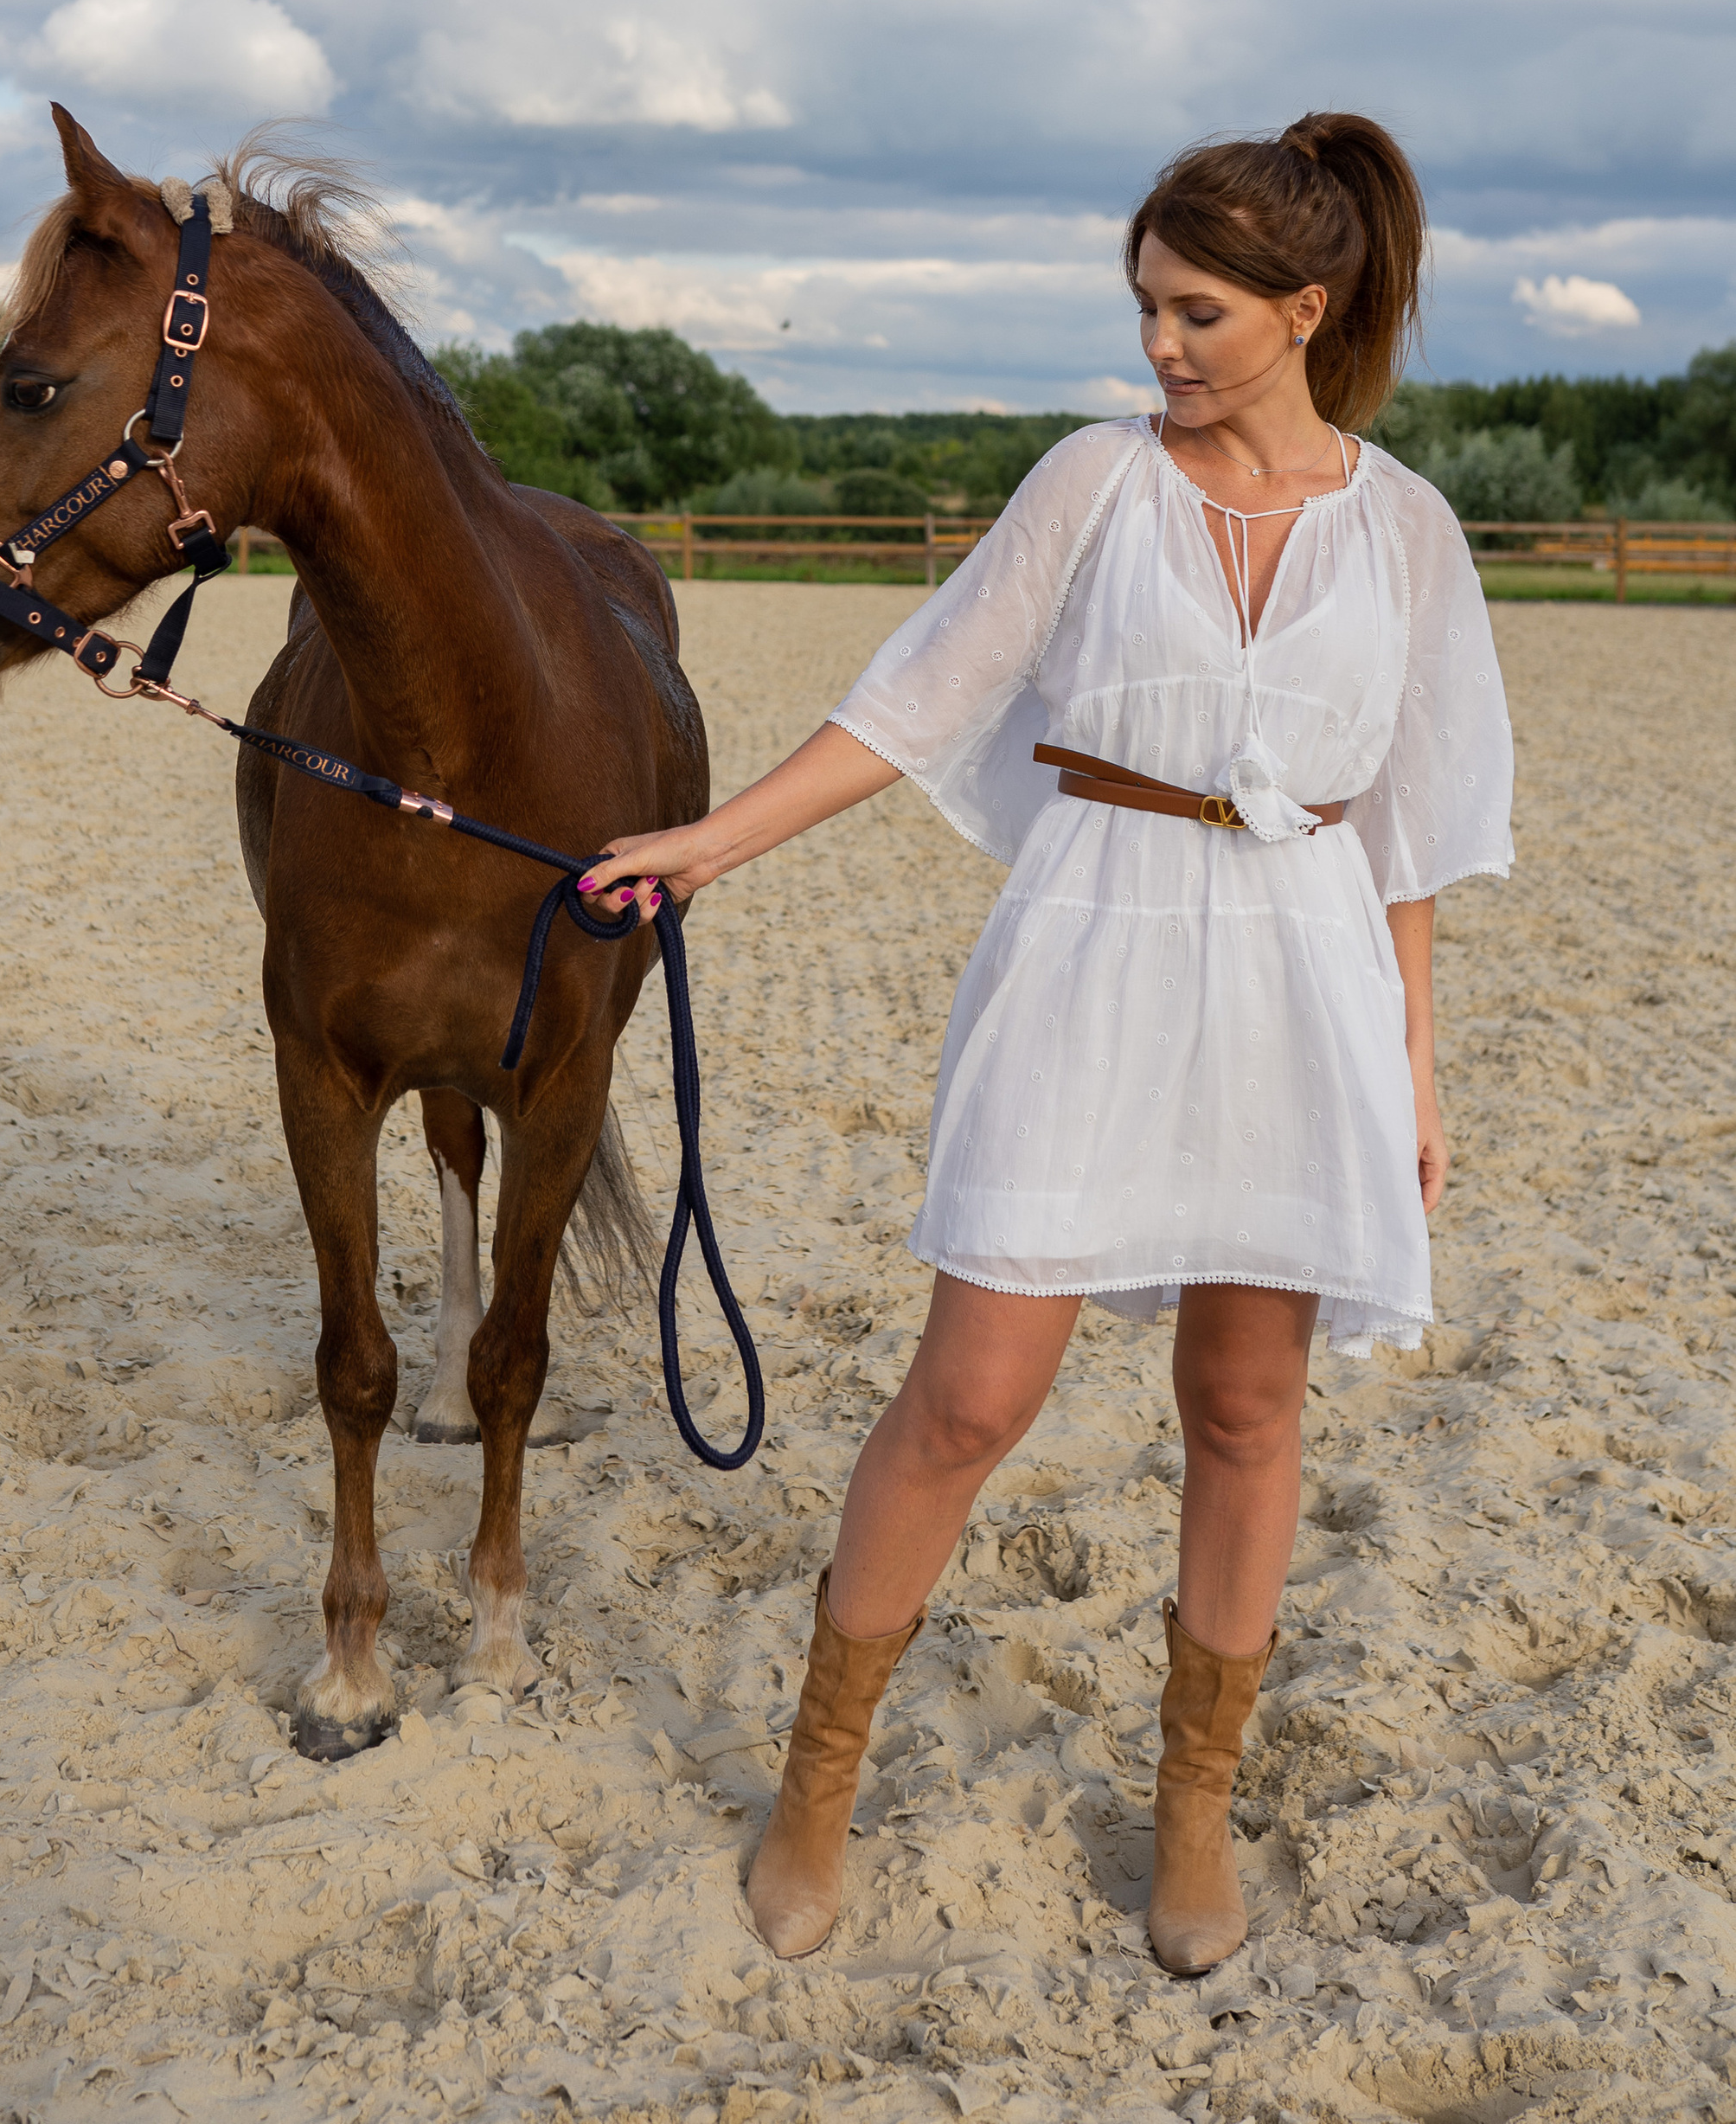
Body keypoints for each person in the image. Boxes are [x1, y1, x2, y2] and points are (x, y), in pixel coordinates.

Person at [580, 112, 1513, 1976]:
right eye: (1144, 308)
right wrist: (705, 847)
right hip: (1091, 948)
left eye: (1192, 312)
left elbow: (1403, 830)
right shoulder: (1095, 482)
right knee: (969, 1398)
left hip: (1299, 982)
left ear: (1303, 308)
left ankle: (1190, 1808)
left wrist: (1409, 1069)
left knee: (1246, 1410)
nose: (1156, 347)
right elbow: (913, 699)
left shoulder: (1404, 529)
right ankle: (817, 1784)